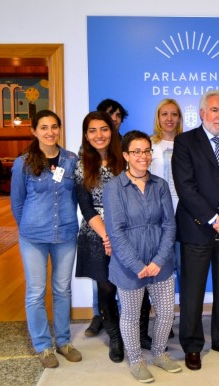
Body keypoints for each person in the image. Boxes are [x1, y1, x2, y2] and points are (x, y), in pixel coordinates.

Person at [172, 90, 219, 371]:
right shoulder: (185, 142)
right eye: (214, 110)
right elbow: (185, 186)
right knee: (192, 292)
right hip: (196, 229)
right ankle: (192, 345)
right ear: (202, 113)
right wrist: (212, 218)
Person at [103, 130, 181, 383]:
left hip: (161, 264)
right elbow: (115, 231)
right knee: (131, 315)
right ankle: (136, 360)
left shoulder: (161, 185)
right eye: (136, 151)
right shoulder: (114, 187)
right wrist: (138, 265)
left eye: (147, 150)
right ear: (126, 155)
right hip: (129, 267)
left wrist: (158, 261)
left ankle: (159, 353)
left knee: (167, 313)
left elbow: (170, 225)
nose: (143, 156)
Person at [10, 109, 82, 368]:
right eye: (44, 127)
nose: (50, 132)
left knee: (62, 290)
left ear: (59, 129)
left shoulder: (71, 160)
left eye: (54, 127)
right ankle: (43, 346)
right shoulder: (24, 162)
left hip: (65, 233)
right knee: (36, 292)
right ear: (34, 131)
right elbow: (17, 202)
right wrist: (29, 226)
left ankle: (63, 341)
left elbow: (75, 197)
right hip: (33, 236)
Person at [74, 111, 125, 362]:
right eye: (92, 130)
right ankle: (115, 339)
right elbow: (86, 206)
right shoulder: (81, 163)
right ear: (86, 135)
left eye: (103, 129)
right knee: (105, 286)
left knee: (130, 284)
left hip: (126, 229)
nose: (99, 135)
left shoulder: (125, 158)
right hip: (96, 233)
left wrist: (117, 235)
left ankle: (134, 333)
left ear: (112, 130)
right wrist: (107, 236)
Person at [85, 98, 130, 338]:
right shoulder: (86, 154)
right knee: (100, 278)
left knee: (124, 277)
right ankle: (99, 316)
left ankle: (126, 322)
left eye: (117, 115)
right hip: (96, 226)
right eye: (108, 115)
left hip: (123, 224)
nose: (113, 119)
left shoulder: (125, 150)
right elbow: (85, 200)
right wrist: (105, 234)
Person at [149, 98, 184, 340]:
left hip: (184, 215)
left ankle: (184, 317)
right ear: (158, 118)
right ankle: (164, 319)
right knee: (162, 271)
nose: (169, 118)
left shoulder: (188, 144)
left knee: (183, 269)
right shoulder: (149, 145)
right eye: (164, 114)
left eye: (174, 114)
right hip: (157, 217)